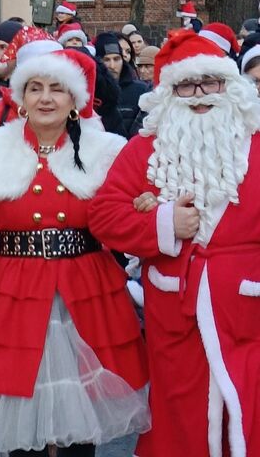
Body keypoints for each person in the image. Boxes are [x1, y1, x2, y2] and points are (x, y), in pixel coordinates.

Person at [0, 48, 149, 456]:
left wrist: (143, 208)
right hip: (13, 300)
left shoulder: (105, 152)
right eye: (35, 88)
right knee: (21, 427)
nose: (46, 98)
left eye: (57, 88)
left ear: (75, 100)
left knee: (80, 429)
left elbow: (123, 227)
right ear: (21, 97)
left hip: (85, 296)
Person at [89, 29, 260, 457]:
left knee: (250, 408)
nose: (199, 95)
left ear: (229, 86)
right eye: (186, 85)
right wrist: (162, 224)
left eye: (210, 82)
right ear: (169, 93)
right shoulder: (146, 150)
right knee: (181, 417)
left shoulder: (257, 144)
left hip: (248, 311)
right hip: (175, 312)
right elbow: (104, 216)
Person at [95, 33, 147, 137]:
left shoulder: (141, 91)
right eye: (106, 60)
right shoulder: (92, 93)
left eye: (116, 59)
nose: (112, 66)